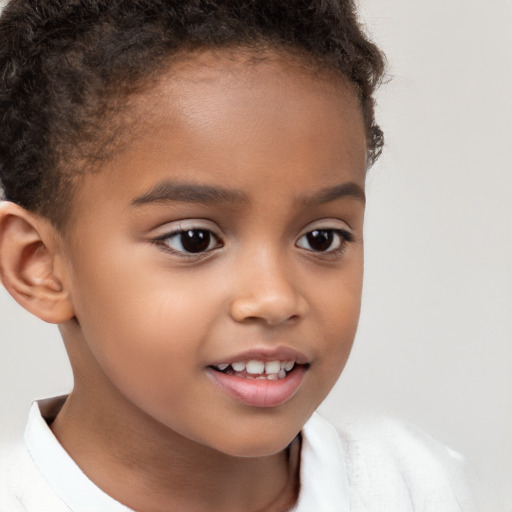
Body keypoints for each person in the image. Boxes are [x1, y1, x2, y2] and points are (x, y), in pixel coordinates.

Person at [0, 1, 475, 510]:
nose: (274, 299)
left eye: (321, 238)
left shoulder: (413, 485)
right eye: (194, 240)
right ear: (40, 266)